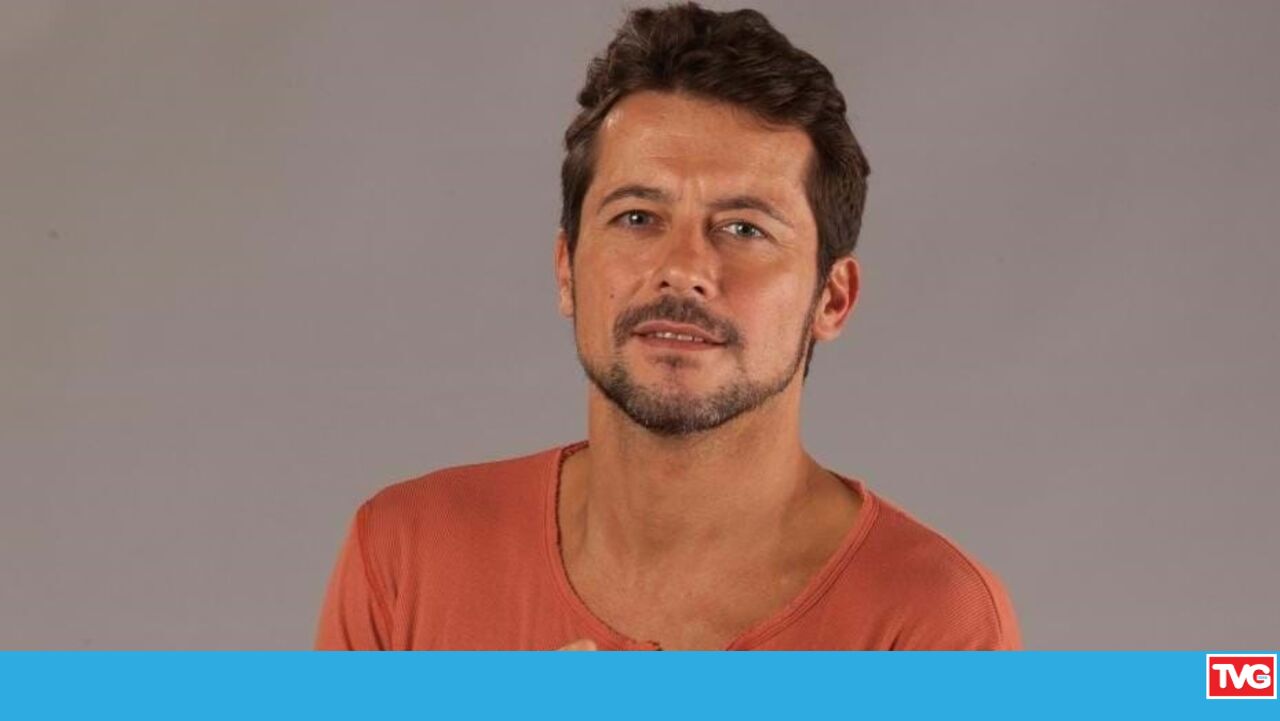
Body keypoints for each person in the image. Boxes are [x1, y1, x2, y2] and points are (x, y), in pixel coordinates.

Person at [314, 2, 1021, 651]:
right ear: (567, 270)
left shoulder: (936, 624)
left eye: (744, 228)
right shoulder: (405, 554)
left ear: (832, 300)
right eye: (637, 217)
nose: (681, 268)